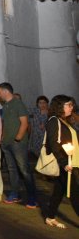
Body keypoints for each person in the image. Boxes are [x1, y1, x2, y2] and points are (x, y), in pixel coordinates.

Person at [0, 82, 37, 207]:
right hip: (7, 143)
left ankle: (32, 197)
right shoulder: (5, 106)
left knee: (24, 170)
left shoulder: (18, 103)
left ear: (5, 91)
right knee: (12, 170)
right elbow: (5, 124)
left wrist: (18, 139)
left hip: (17, 144)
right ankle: (14, 194)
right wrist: (3, 138)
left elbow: (24, 123)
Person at [44, 95, 79, 228]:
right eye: (68, 105)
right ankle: (50, 216)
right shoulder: (54, 121)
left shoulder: (64, 121)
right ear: (60, 106)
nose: (71, 107)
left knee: (59, 191)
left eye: (71, 105)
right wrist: (64, 163)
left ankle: (50, 216)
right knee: (75, 194)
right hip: (64, 164)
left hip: (71, 162)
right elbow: (53, 144)